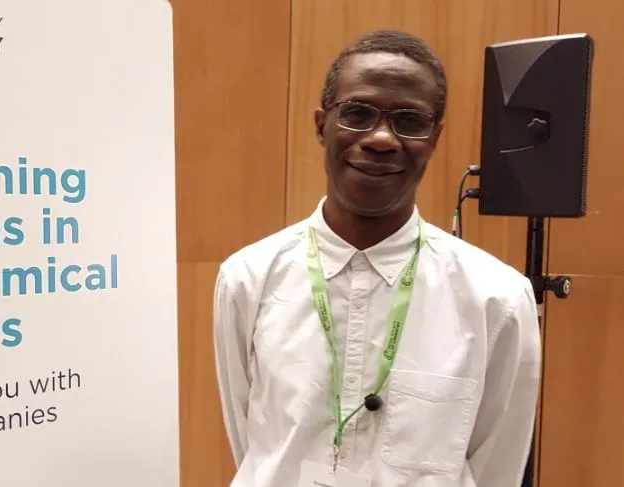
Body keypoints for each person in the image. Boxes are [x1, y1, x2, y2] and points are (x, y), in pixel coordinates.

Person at [212, 30, 541, 487]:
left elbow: (497, 468)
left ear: (435, 138)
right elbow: (251, 445)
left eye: (410, 121)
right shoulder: (249, 278)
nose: (382, 138)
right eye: (357, 113)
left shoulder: (496, 299)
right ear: (321, 125)